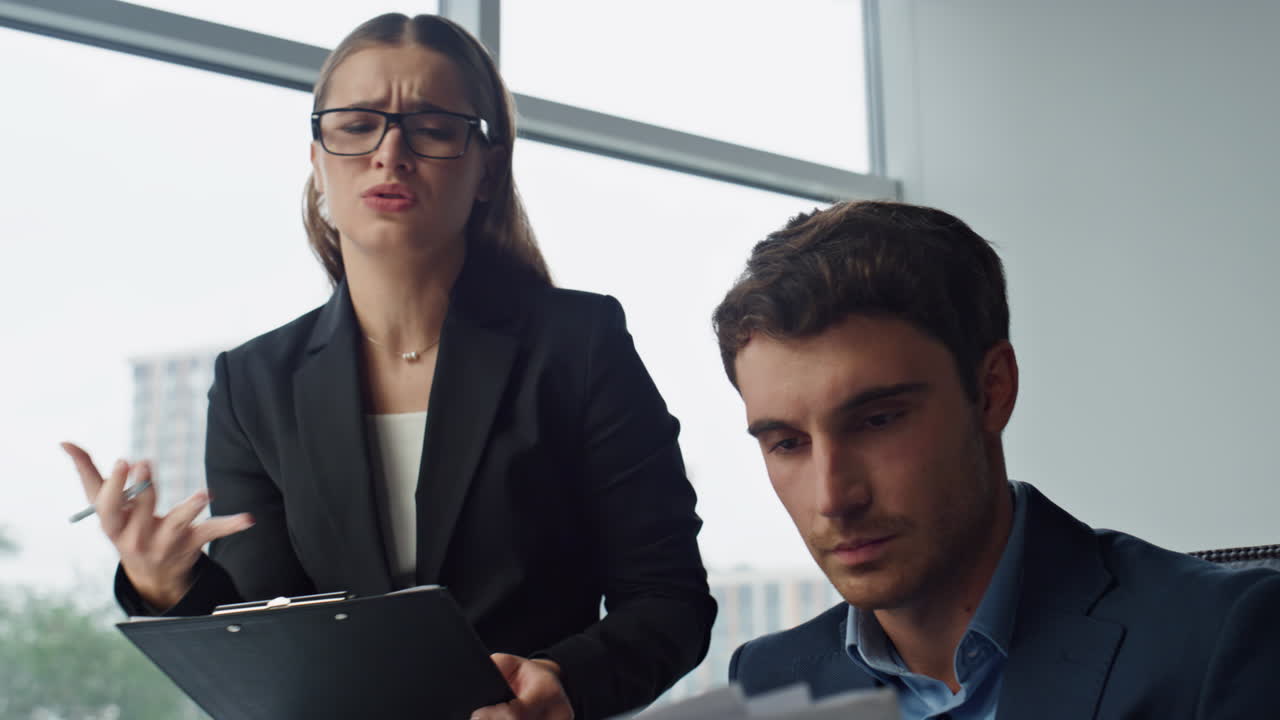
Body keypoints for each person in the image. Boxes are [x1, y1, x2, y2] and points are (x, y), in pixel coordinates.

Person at [63, 13, 715, 720]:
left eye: (432, 128)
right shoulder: (254, 384)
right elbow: (267, 628)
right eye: (356, 125)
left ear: (488, 168)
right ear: (317, 161)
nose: (390, 153)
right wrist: (164, 582)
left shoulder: (580, 343)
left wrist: (563, 682)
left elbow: (669, 600)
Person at [712, 200, 1280, 718]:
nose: (833, 498)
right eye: (787, 443)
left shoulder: (1225, 637)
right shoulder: (766, 683)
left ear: (991, 391)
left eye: (878, 420)